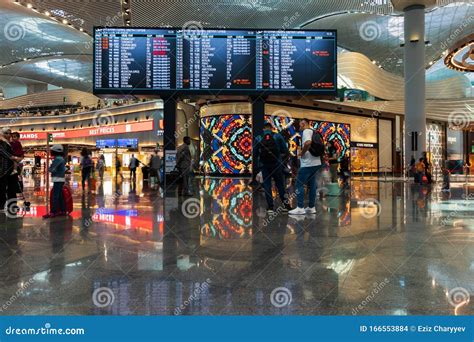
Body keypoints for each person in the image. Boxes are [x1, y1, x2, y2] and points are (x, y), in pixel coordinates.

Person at [254, 121, 291, 213]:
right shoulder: (277, 136)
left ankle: (270, 207)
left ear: (263, 129)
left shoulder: (259, 138)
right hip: (277, 165)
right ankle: (285, 206)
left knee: (267, 186)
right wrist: (280, 159)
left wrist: (259, 163)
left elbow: (254, 153)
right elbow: (286, 151)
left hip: (265, 166)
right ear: (271, 128)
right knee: (280, 185)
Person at [289, 119, 323, 215]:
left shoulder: (306, 131)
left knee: (299, 184)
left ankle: (300, 208)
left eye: (300, 126)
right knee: (312, 185)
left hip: (308, 163)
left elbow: (307, 143)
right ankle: (311, 207)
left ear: (303, 124)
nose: (299, 128)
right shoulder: (314, 131)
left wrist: (302, 153)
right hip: (316, 162)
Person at [43, 144, 66, 218]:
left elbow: (51, 169)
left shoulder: (58, 159)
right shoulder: (61, 158)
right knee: (59, 196)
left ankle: (53, 212)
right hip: (60, 179)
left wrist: (49, 168)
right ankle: (63, 210)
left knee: (55, 196)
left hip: (57, 179)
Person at [0, 128, 19, 214]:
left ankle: (12, 205)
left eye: (9, 133)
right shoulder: (2, 142)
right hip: (4, 169)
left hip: (10, 168)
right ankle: (1, 206)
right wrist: (13, 157)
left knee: (12, 188)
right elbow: (3, 152)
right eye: (7, 133)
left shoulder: (9, 143)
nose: (9, 135)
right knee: (2, 188)